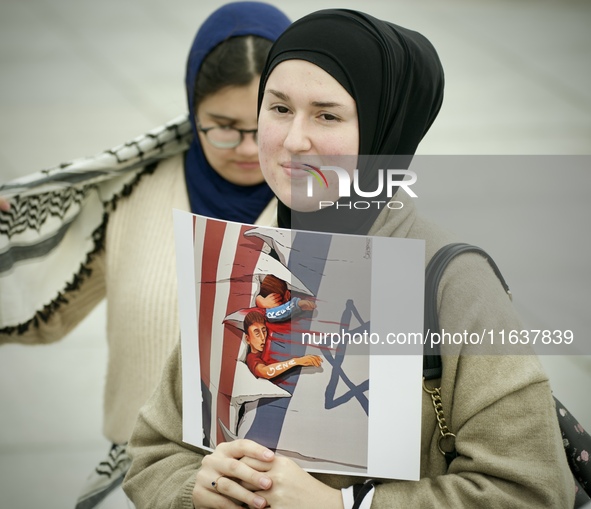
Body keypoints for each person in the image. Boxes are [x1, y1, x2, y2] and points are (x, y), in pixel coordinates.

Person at [122, 8, 575, 509]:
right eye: (278, 109)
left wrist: (345, 505)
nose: (295, 140)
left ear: (385, 132)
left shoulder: (450, 280)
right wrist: (198, 489)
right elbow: (153, 451)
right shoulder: (247, 260)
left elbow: (531, 488)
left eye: (328, 115)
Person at [0, 2, 290, 508]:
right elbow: (45, 315)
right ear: (191, 111)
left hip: (269, 486)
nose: (245, 148)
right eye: (222, 126)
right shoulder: (131, 194)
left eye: (262, 125)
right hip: (142, 477)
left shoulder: (324, 210)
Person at [242, 310, 322, 379]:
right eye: (257, 333)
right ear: (247, 339)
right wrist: (296, 361)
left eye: (264, 331)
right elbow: (265, 372)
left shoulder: (271, 344)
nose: (263, 337)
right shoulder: (252, 358)